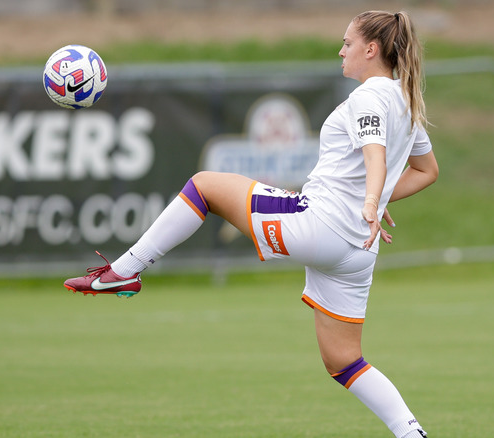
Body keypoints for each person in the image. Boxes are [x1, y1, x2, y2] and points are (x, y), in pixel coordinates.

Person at [65, 10, 438, 438]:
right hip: (357, 252)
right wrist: (376, 198)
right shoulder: (406, 102)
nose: (341, 50)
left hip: (319, 225)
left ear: (371, 50)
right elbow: (427, 171)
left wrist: (372, 198)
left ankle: (123, 272)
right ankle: (413, 434)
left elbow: (374, 151)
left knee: (203, 186)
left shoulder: (368, 97)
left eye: (348, 43)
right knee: (344, 361)